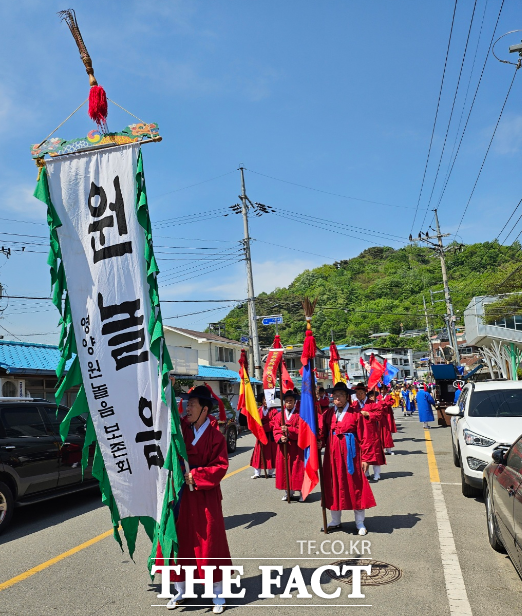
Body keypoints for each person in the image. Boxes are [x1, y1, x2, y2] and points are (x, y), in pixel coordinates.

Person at [158, 385, 232, 613]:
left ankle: (217, 592)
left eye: (192, 404)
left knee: (209, 541)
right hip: (179, 492)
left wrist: (196, 476)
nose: (187, 407)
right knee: (178, 540)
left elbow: (220, 466)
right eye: (187, 403)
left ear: (204, 409)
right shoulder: (180, 429)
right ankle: (180, 590)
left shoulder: (216, 437)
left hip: (204, 494)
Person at [318, 381, 376, 534]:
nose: (337, 398)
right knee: (333, 486)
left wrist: (366, 458)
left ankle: (360, 523)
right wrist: (319, 442)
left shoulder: (356, 414)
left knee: (356, 487)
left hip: (352, 456)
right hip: (332, 457)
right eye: (335, 395)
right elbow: (322, 433)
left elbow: (365, 437)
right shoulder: (328, 414)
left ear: (347, 397)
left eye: (341, 395)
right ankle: (335, 520)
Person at [271, 390, 304, 501]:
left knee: (298, 469)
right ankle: (288, 492)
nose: (289, 403)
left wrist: (289, 430)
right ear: (284, 402)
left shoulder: (300, 414)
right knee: (285, 469)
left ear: (295, 402)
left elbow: (303, 431)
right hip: (284, 447)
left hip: (296, 446)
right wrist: (280, 437)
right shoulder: (279, 415)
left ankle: (302, 492)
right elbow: (275, 429)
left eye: (291, 401)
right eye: (287, 401)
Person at [357, 386, 387, 481]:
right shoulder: (354, 405)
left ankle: (377, 473)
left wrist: (369, 414)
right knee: (362, 453)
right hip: (359, 432)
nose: (359, 395)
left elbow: (379, 415)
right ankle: (365, 473)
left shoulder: (372, 404)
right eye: (357, 393)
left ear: (365, 393)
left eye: (361, 393)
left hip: (371, 432)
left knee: (375, 453)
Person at [250, 394, 277, 478]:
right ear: (262, 400)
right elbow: (254, 421)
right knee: (258, 453)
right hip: (260, 434)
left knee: (270, 452)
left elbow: (274, 422)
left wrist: (263, 428)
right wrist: (258, 428)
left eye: (268, 400)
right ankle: (257, 472)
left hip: (269, 434)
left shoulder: (274, 411)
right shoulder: (258, 410)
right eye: (264, 399)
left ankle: (271, 472)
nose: (266, 401)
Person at [377, 383, 396, 455]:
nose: (383, 391)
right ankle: (381, 449)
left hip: (388, 416)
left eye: (384, 389)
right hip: (380, 416)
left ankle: (389, 449)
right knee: (380, 433)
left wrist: (383, 402)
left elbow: (391, 403)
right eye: (382, 389)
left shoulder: (389, 396)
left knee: (388, 433)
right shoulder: (377, 397)